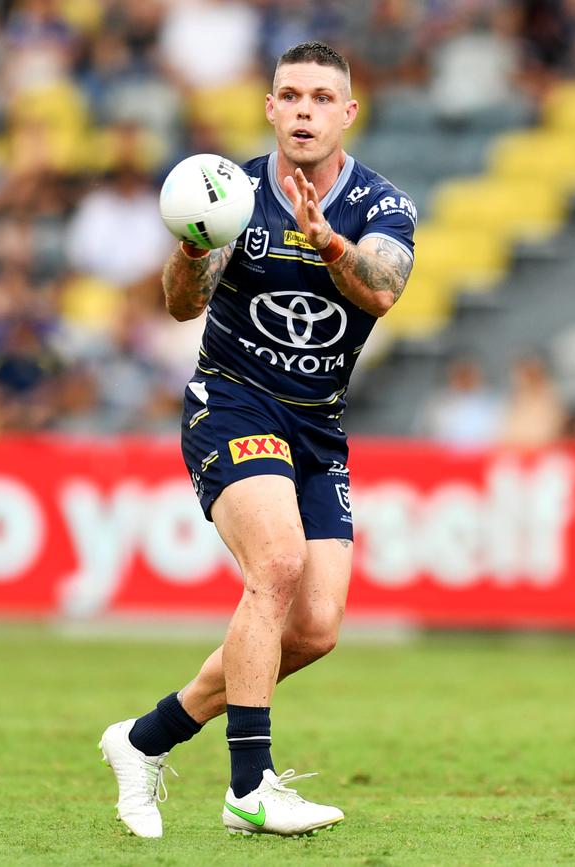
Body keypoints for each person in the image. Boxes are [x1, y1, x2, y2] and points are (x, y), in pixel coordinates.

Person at [99, 41, 416, 840]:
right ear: (270, 108)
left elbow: (381, 289)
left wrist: (330, 245)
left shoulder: (383, 207)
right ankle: (251, 784)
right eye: (290, 95)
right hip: (234, 402)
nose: (304, 110)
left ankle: (144, 738)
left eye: (320, 97)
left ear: (348, 113)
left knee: (313, 628)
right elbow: (179, 306)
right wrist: (193, 245)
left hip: (318, 424)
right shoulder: (229, 194)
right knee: (274, 563)